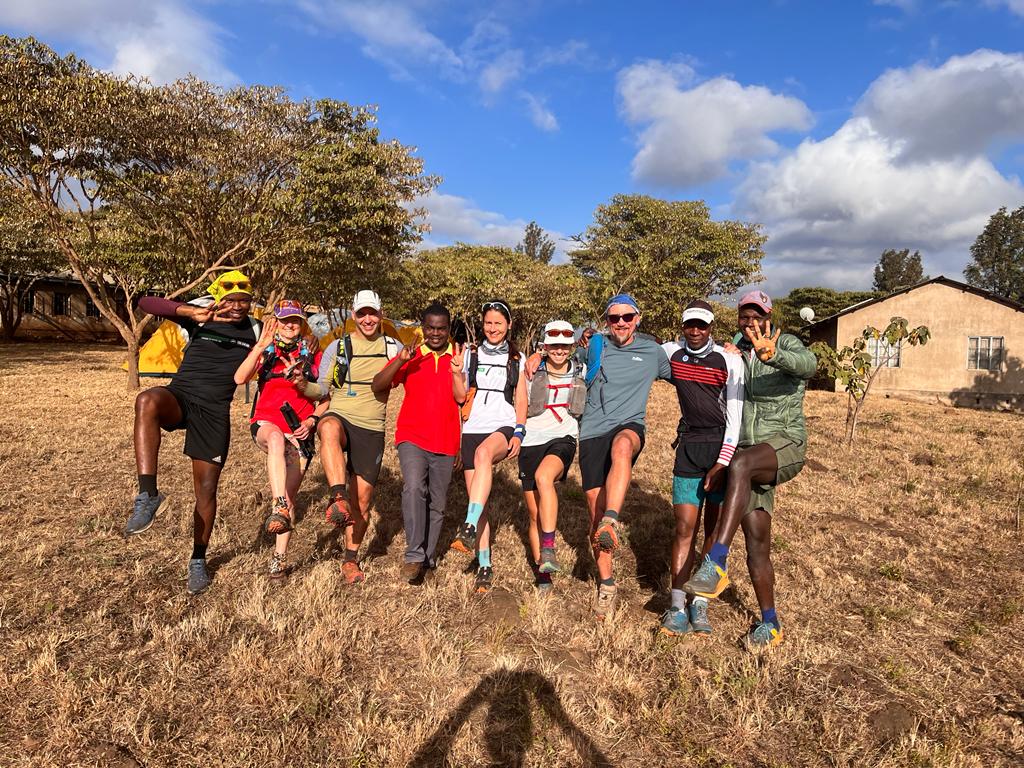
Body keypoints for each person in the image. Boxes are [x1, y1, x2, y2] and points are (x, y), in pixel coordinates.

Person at [683, 289, 816, 652]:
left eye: (757, 314)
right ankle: (770, 623)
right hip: (750, 456)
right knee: (757, 541)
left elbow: (809, 366)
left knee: (740, 464)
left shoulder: (785, 342)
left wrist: (774, 355)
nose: (750, 321)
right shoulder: (735, 352)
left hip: (785, 442)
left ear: (769, 315)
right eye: (744, 315)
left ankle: (716, 562)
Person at [123, 270, 260, 595]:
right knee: (147, 400)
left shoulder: (256, 329)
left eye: (244, 300)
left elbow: (286, 338)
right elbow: (146, 302)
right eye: (231, 299)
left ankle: (198, 559)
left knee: (206, 492)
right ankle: (148, 494)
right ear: (219, 298)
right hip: (181, 396)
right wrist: (189, 311)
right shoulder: (200, 315)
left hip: (214, 412)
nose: (238, 306)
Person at [570, 293, 672, 620]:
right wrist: (535, 359)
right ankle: (607, 583)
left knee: (624, 446)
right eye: (614, 318)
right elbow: (561, 359)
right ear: (607, 321)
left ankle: (613, 518)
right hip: (591, 432)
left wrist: (728, 352)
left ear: (638, 318)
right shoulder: (595, 346)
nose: (621, 323)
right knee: (593, 513)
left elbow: (686, 373)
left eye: (627, 317)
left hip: (629, 426)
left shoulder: (653, 352)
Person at [658, 300, 744, 636]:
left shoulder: (729, 360)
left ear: (711, 327)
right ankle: (677, 605)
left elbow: (735, 417)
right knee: (684, 528)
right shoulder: (672, 353)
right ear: (683, 326)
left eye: (702, 326)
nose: (695, 332)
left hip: (721, 450)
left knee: (713, 531)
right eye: (690, 325)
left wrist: (723, 462)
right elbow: (633, 347)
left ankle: (700, 603)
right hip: (689, 448)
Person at [314, 290, 402, 584]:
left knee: (362, 503)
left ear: (380, 314)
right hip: (340, 414)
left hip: (372, 426)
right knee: (327, 427)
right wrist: (302, 384)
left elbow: (413, 376)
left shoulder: (392, 347)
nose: (367, 319)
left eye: (372, 313)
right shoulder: (337, 347)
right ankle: (337, 496)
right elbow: (321, 390)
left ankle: (350, 559)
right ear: (353, 315)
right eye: (362, 313)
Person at [372, 303, 464, 583]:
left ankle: (429, 557)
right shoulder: (413, 354)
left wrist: (460, 443)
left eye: (441, 328)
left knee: (438, 503)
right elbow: (378, 385)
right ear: (423, 328)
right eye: (430, 327)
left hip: (447, 440)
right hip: (412, 436)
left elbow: (464, 404)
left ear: (449, 330)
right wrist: (401, 360)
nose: (435, 333)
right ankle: (413, 555)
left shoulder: (458, 359)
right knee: (413, 488)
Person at [234, 299, 325, 580]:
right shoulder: (267, 350)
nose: (290, 325)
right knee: (275, 440)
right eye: (285, 320)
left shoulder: (312, 353)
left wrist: (312, 421)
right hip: (267, 421)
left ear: (302, 324)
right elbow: (239, 378)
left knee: (291, 494)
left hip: (300, 429)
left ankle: (278, 559)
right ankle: (278, 505)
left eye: (295, 320)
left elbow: (325, 398)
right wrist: (259, 348)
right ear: (276, 321)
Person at [449, 300, 528, 593]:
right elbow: (459, 397)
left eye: (498, 323)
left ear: (508, 325)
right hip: (472, 426)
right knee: (476, 501)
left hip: (502, 424)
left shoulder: (517, 358)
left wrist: (518, 433)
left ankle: (467, 526)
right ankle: (484, 565)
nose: (492, 328)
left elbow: (521, 399)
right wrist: (457, 372)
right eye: (488, 323)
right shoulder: (470, 354)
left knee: (484, 454)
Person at [518, 320, 586, 593]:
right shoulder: (531, 370)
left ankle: (549, 548)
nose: (559, 350)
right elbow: (521, 402)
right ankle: (542, 570)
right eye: (554, 345)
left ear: (571, 347)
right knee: (534, 514)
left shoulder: (581, 370)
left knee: (544, 477)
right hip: (530, 441)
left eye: (564, 346)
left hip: (563, 438)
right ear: (545, 346)